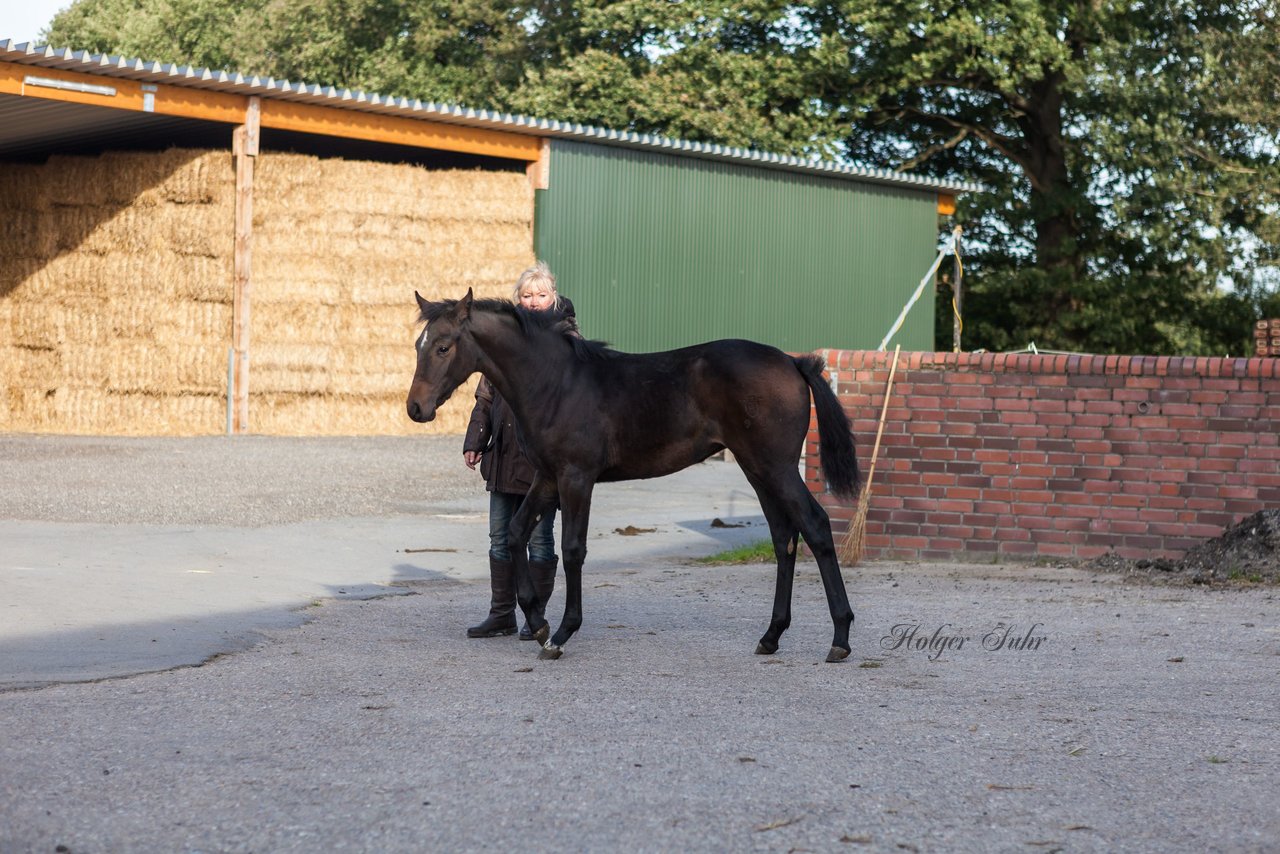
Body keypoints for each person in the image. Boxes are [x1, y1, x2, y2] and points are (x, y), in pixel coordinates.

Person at [462, 261, 577, 639]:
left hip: (540, 460)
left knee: (539, 539)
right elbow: (484, 396)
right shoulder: (504, 342)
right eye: (527, 295)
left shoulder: (565, 339)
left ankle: (536, 616)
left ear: (553, 297)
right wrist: (475, 440)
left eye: (541, 295)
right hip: (504, 455)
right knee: (499, 536)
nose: (534, 301)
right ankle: (501, 614)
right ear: (518, 300)